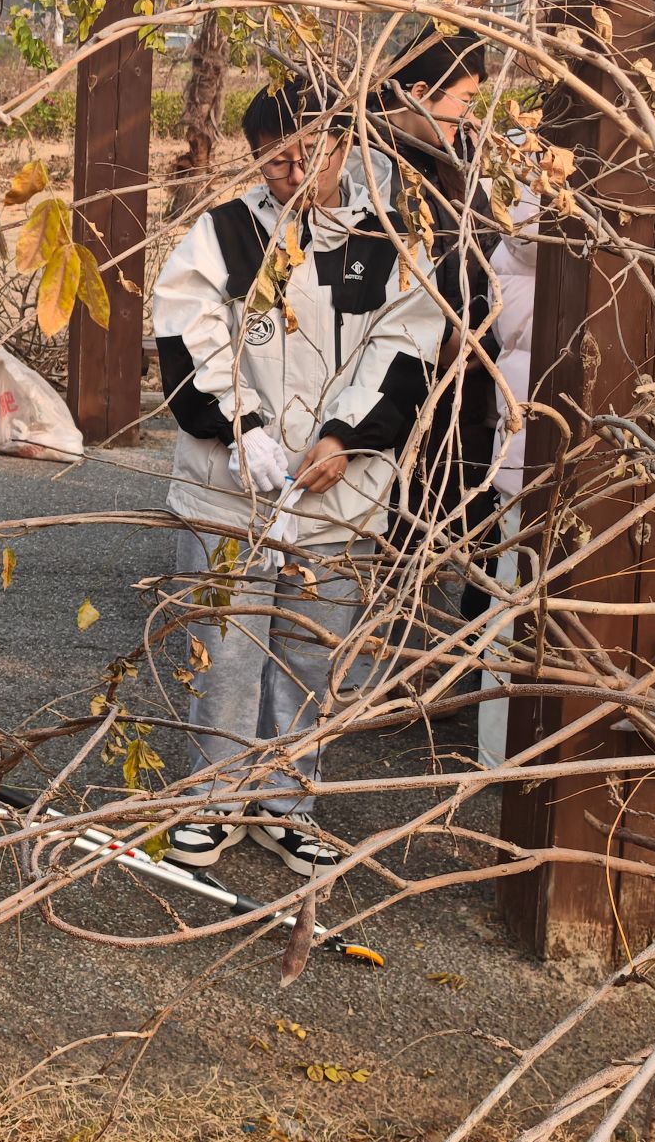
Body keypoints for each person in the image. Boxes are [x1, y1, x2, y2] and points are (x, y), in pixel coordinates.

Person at [154, 83, 443, 876]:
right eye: (273, 157)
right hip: (229, 484)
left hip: (339, 490)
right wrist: (240, 424)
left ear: (344, 145)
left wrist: (345, 435)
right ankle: (212, 797)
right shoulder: (224, 233)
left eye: (310, 151)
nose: (291, 170)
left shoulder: (390, 237)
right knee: (223, 645)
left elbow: (407, 346)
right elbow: (185, 331)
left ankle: (288, 800)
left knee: (310, 653)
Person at [372, 33, 499, 624]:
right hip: (401, 367)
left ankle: (439, 640)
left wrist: (477, 332)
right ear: (419, 92)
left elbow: (483, 250)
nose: (469, 117)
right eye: (465, 102)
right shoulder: (370, 163)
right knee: (397, 511)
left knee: (462, 511)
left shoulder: (459, 151)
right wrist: (435, 334)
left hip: (466, 362)